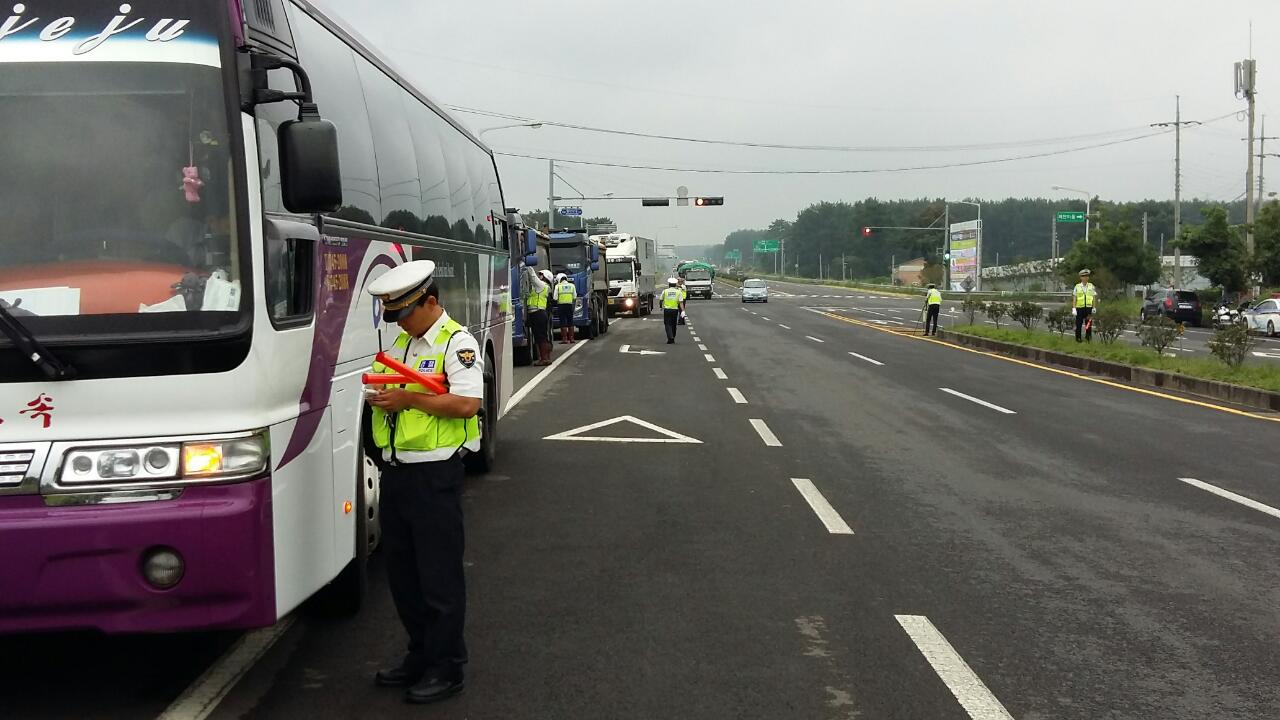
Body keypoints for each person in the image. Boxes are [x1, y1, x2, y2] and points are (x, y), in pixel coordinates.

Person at [364, 260, 481, 705]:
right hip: (396, 473)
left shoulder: (457, 343)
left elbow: (468, 403)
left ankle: (447, 666)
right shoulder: (401, 343)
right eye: (394, 315)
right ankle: (419, 654)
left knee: (439, 578)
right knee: (404, 576)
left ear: (431, 302)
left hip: (435, 477)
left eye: (405, 313)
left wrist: (409, 398)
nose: (400, 322)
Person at [526, 268, 553, 365]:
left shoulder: (541, 285)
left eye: (541, 275)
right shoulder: (540, 287)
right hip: (537, 313)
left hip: (538, 313)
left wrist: (527, 265)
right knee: (540, 336)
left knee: (541, 337)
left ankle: (545, 359)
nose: (539, 276)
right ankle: (545, 357)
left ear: (545, 277)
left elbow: (533, 277)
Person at [1073, 268, 1098, 342]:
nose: (1085, 278)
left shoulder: (1091, 286)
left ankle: (1088, 338)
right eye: (1083, 276)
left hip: (1088, 308)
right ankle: (1078, 339)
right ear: (1081, 277)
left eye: (1087, 276)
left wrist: (1094, 307)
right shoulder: (1077, 286)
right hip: (1079, 308)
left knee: (1088, 324)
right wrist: (1074, 308)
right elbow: (1075, 297)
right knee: (1079, 324)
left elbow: (1093, 297)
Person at [659, 276, 686, 344]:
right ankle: (672, 336)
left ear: (669, 284)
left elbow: (661, 300)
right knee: (674, 324)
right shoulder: (678, 292)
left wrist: (660, 306)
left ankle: (670, 337)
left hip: (667, 310)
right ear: (675, 284)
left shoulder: (665, 291)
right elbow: (681, 302)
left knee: (668, 324)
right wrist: (682, 311)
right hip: (675, 310)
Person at [554, 272, 577, 345]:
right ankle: (572, 338)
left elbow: (555, 297)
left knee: (563, 322)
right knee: (570, 321)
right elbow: (575, 296)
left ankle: (564, 339)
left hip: (561, 306)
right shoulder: (572, 285)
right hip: (569, 305)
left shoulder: (558, 286)